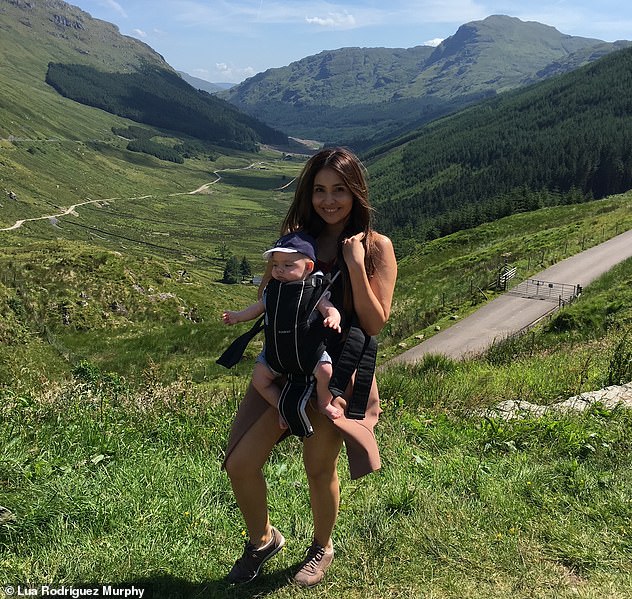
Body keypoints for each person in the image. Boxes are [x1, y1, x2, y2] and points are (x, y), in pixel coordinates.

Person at [222, 147, 397, 587]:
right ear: (308, 193)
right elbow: (271, 298)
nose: (329, 200)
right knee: (240, 463)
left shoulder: (376, 248)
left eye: (339, 190)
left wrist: (355, 265)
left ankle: (322, 547)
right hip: (284, 369)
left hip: (331, 374)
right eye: (319, 190)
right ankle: (263, 540)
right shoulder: (294, 240)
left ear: (357, 192)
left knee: (318, 467)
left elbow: (374, 322)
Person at [222, 231, 344, 429]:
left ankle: (324, 403)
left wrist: (333, 318)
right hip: (276, 356)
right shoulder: (273, 290)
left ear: (309, 267)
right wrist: (238, 316)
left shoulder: (314, 289)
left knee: (326, 371)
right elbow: (257, 308)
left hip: (309, 355)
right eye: (276, 265)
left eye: (288, 265)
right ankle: (281, 406)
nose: (279, 270)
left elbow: (329, 307)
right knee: (259, 379)